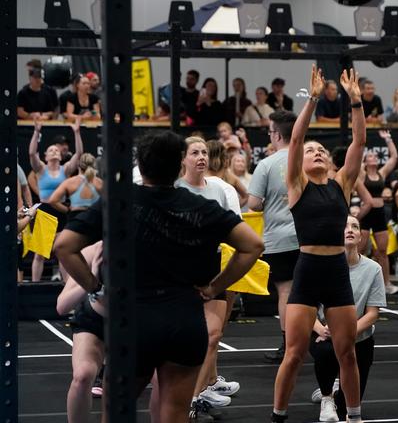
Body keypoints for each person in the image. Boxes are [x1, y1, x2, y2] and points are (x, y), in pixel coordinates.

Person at [54, 130, 264, 423]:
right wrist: (215, 286)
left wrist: (94, 285)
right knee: (174, 413)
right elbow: (253, 245)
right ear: (180, 165)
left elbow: (64, 246)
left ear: (141, 164)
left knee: (117, 410)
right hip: (184, 321)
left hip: (134, 321)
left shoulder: (120, 203)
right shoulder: (201, 207)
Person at [270, 65, 366, 423]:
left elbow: (358, 142)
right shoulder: (297, 185)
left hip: (336, 270)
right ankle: (278, 416)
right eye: (312, 150)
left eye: (322, 150)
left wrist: (355, 101)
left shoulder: (341, 184)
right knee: (294, 353)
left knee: (347, 353)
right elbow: (295, 140)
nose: (317, 153)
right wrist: (312, 98)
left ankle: (354, 416)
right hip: (308, 270)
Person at [174, 136, 241, 417]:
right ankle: (177, 395)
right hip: (177, 272)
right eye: (194, 152)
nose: (201, 157)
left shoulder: (220, 189)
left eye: (204, 152)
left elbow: (235, 228)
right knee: (180, 340)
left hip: (212, 270)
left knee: (213, 336)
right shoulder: (174, 189)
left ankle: (193, 399)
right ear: (183, 159)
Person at [309, 215, 386, 422]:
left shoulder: (373, 269)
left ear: (361, 236)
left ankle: (336, 391)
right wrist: (319, 328)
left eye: (355, 226)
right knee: (325, 351)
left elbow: (373, 314)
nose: (350, 229)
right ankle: (326, 396)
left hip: (359, 338)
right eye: (344, 226)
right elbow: (305, 308)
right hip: (325, 335)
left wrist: (346, 332)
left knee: (346, 406)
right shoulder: (319, 267)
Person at [248, 110, 299, 364]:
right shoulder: (308, 157)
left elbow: (254, 204)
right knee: (314, 292)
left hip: (279, 238)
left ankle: (288, 345)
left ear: (277, 134)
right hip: (308, 237)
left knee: (286, 292)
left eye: (270, 132)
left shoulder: (267, 164)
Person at [56, 241, 105, 423]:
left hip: (136, 322)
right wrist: (92, 280)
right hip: (95, 319)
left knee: (159, 380)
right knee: (82, 375)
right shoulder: (93, 251)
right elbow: (62, 306)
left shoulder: (147, 250)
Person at [29, 117, 83, 281]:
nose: (54, 152)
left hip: (61, 212)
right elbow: (32, 153)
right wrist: (36, 132)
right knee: (40, 254)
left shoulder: (65, 170)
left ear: (61, 156)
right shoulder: (41, 169)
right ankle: (35, 286)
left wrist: (77, 132)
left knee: (62, 252)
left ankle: (66, 286)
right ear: (45, 156)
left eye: (56, 151)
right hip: (45, 211)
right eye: (50, 150)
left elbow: (79, 153)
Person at [359, 130, 398, 293]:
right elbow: (355, 158)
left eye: (375, 156)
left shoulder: (382, 174)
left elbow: (394, 157)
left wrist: (388, 139)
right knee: (360, 250)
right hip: (366, 213)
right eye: (370, 156)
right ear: (366, 162)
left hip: (380, 213)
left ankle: (386, 283)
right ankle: (357, 283)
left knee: (382, 251)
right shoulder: (362, 174)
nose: (374, 158)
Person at [48, 153, 102, 220]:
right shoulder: (100, 183)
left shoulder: (70, 182)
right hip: (95, 219)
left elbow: (52, 200)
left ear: (78, 166)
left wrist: (67, 210)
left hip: (76, 218)